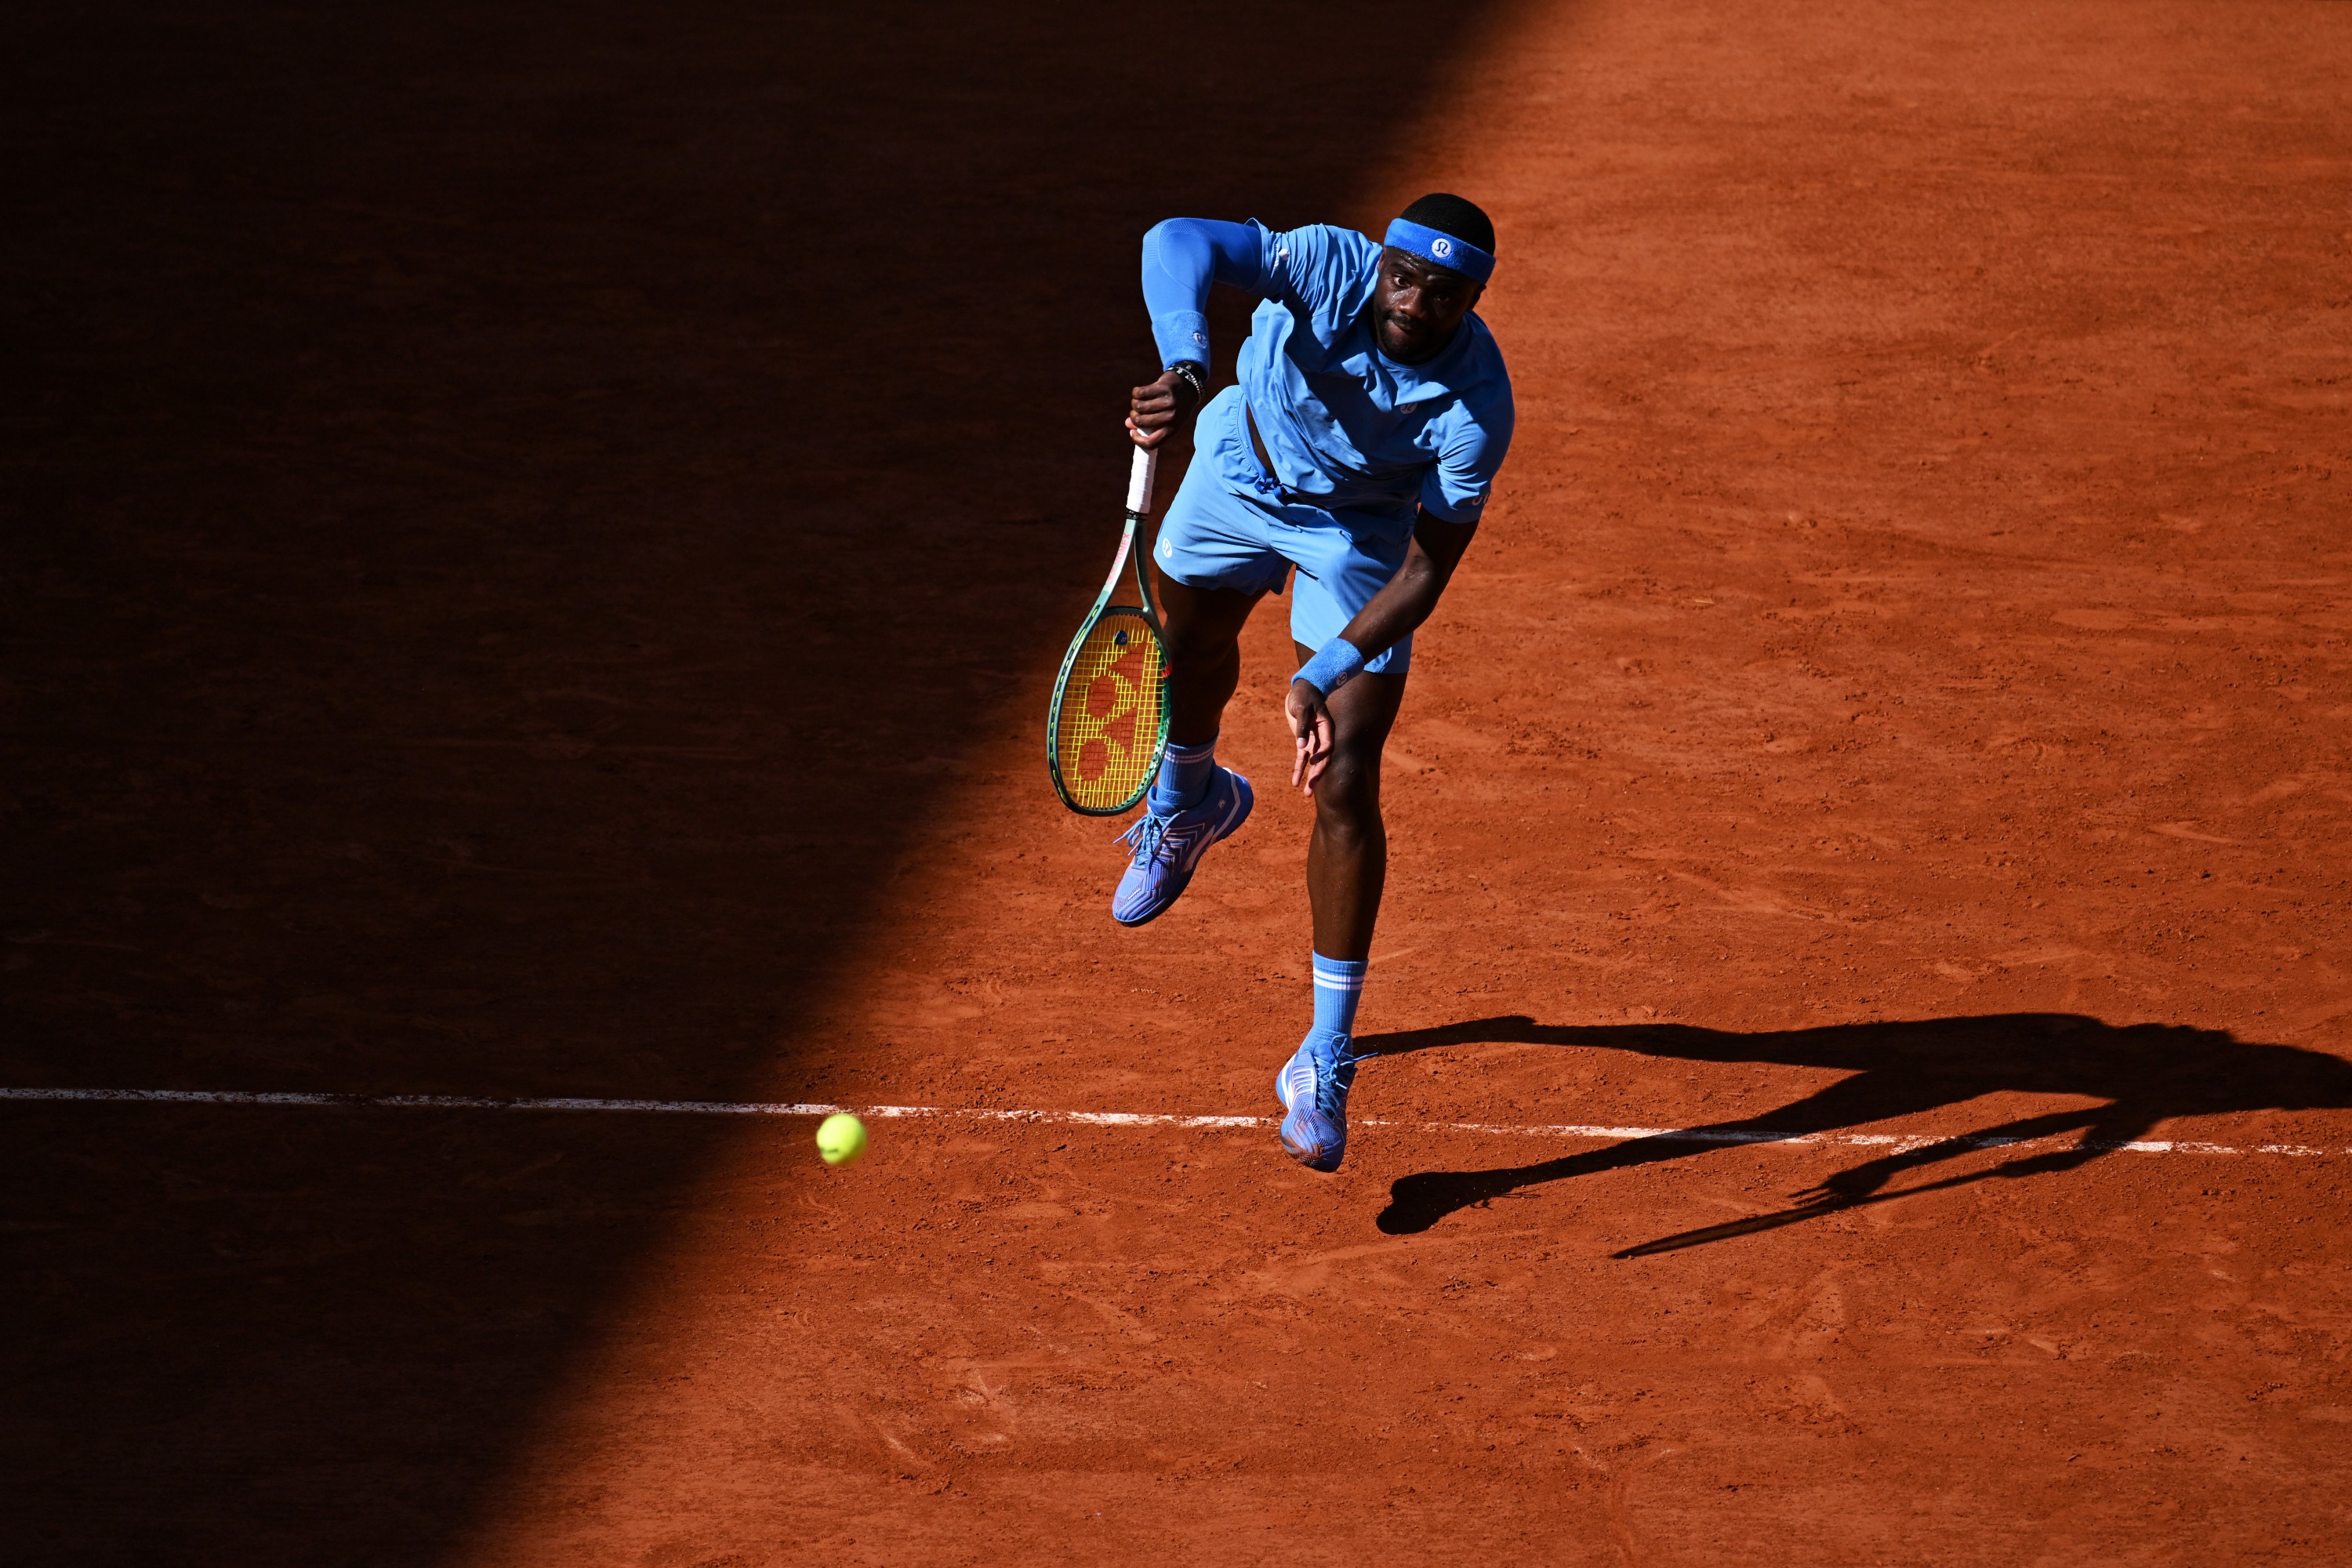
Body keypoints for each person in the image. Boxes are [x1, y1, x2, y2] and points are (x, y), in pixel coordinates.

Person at [1114, 193, 1515, 1172]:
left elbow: (1426, 569)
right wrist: (1184, 363)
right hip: (1237, 470)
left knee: (1347, 774)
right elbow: (1173, 238)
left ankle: (1324, 1055)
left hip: (1359, 540)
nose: (1417, 303)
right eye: (1406, 276)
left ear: (1472, 300)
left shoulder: (1476, 407)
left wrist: (1325, 671)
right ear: (1382, 263)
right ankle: (1192, 796)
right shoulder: (1329, 264)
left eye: (1446, 293)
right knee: (1190, 652)